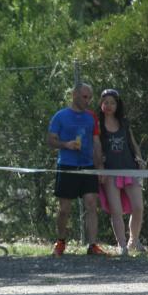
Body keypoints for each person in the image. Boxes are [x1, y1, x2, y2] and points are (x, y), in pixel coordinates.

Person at [47, 82, 106, 256]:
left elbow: (96, 142)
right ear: (74, 95)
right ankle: (61, 241)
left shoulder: (91, 117)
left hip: (87, 167)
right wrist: (66, 144)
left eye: (89, 97)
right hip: (67, 166)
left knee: (91, 204)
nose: (87, 100)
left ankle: (92, 245)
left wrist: (100, 167)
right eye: (84, 97)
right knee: (64, 208)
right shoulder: (60, 116)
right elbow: (50, 141)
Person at [98, 88, 147, 256]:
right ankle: (122, 245)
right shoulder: (97, 125)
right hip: (110, 173)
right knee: (116, 210)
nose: (109, 106)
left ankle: (134, 240)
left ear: (118, 105)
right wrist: (100, 168)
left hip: (130, 170)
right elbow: (96, 149)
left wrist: (140, 160)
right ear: (101, 104)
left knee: (138, 207)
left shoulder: (124, 123)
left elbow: (133, 144)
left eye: (112, 102)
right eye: (106, 103)